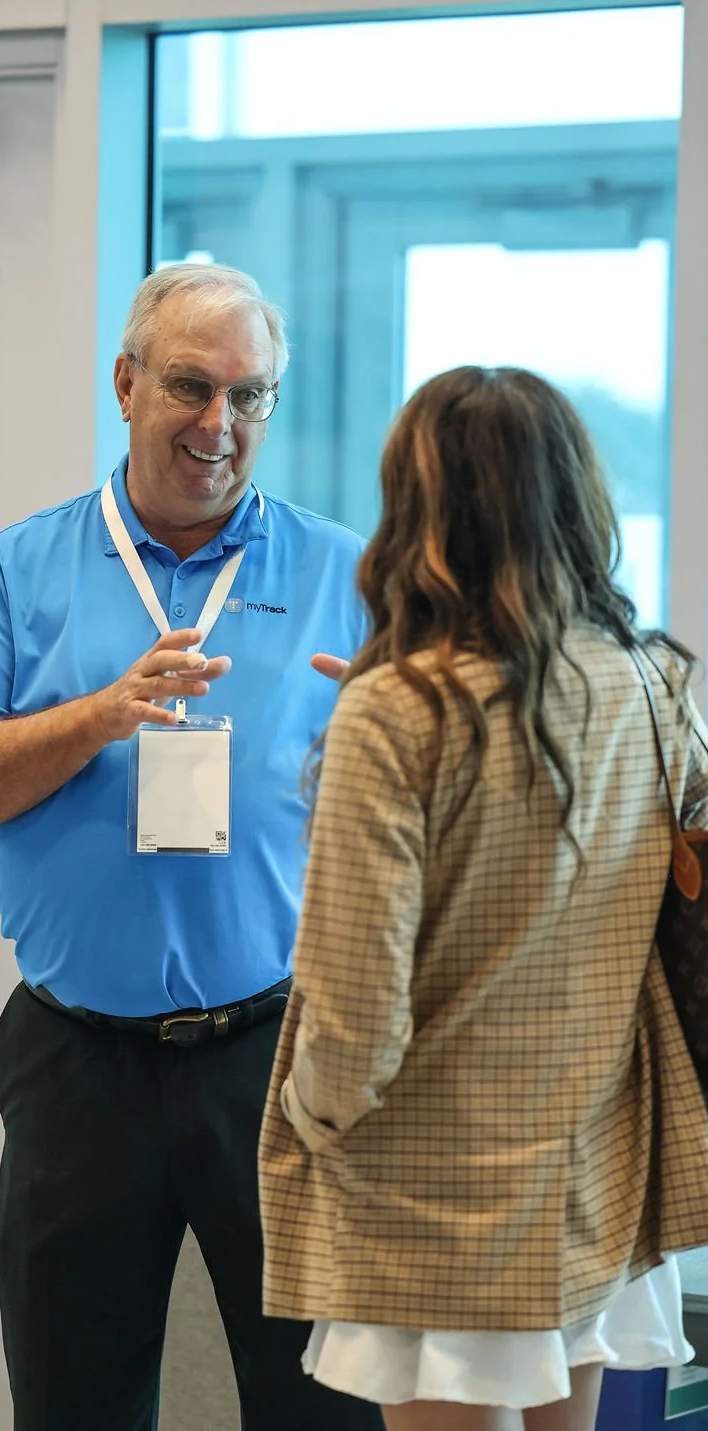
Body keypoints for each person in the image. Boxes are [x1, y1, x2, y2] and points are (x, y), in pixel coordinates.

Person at [0, 263, 382, 1431]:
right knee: (74, 1404)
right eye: (189, 386)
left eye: (249, 396)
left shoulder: (346, 575)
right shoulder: (20, 571)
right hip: (78, 1064)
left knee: (324, 1408)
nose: (218, 425)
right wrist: (97, 716)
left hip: (276, 1059)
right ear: (125, 383)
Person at [259, 365, 708, 1431]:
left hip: (429, 1182)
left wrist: (303, 1119)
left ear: (421, 511)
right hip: (591, 1157)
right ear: (572, 500)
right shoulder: (647, 681)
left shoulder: (394, 712)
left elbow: (358, 1010)